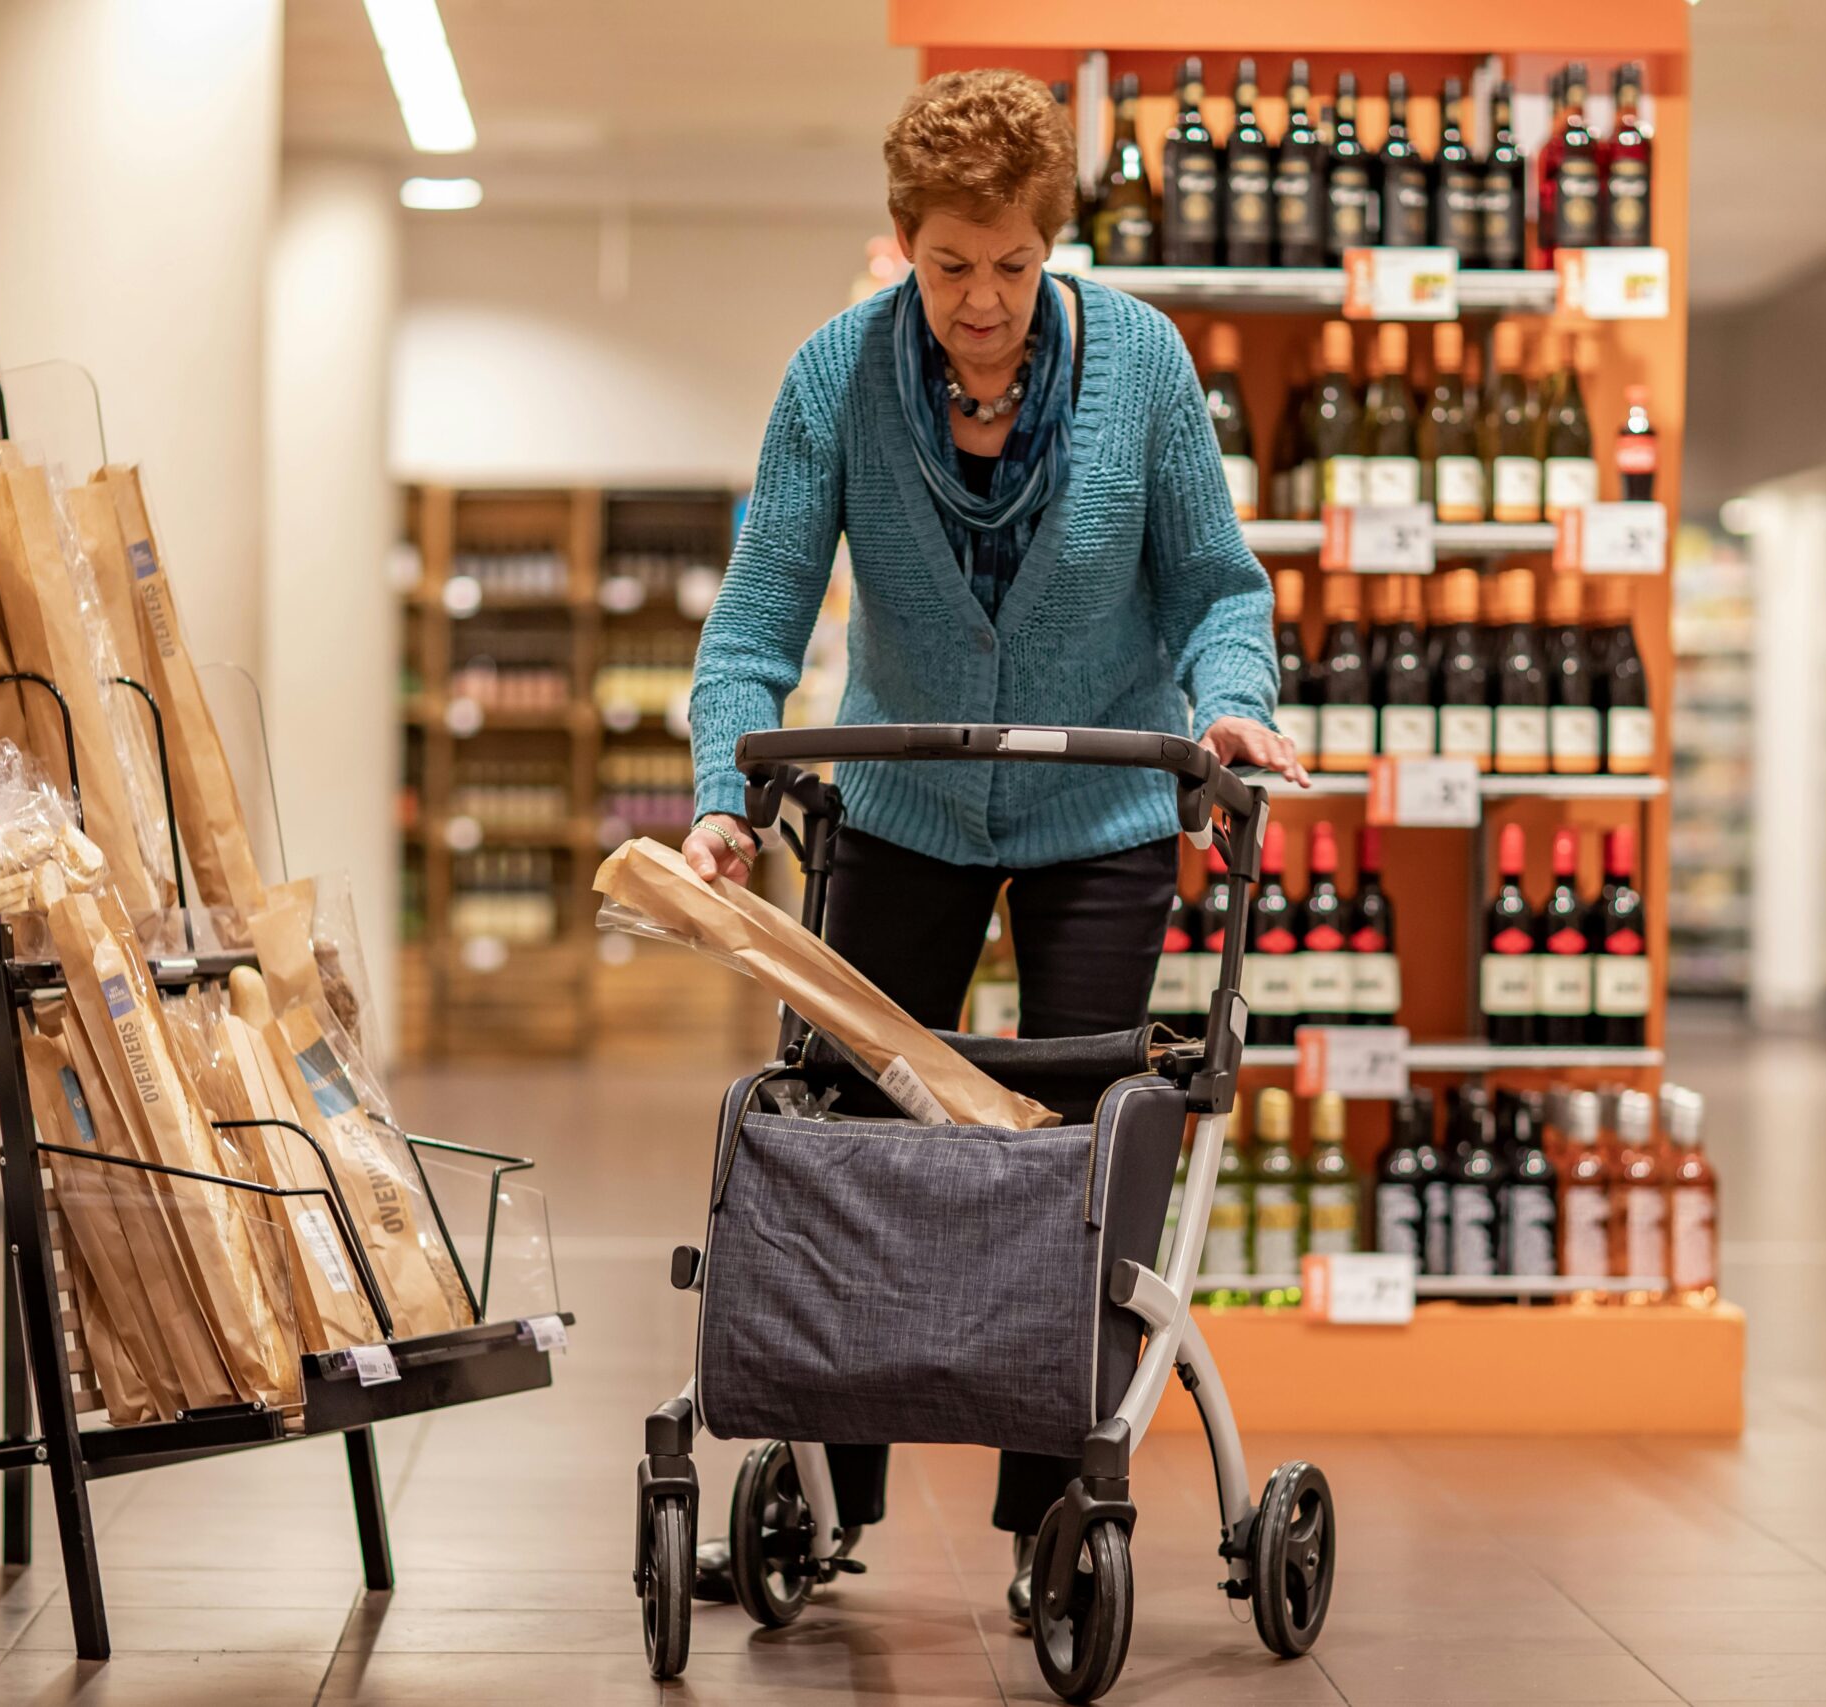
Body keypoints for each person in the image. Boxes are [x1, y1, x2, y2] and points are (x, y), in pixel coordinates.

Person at [681, 68, 1301, 1625]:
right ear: (905, 245)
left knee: (1084, 1136)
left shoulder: (1143, 366)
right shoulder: (834, 379)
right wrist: (719, 793)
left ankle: (1055, 1501)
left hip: (1101, 806)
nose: (982, 303)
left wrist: (1229, 712)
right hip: (903, 801)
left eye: (1013, 267)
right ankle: (842, 1493)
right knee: (864, 1127)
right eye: (949, 265)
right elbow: (758, 616)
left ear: (1053, 248)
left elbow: (1219, 588)